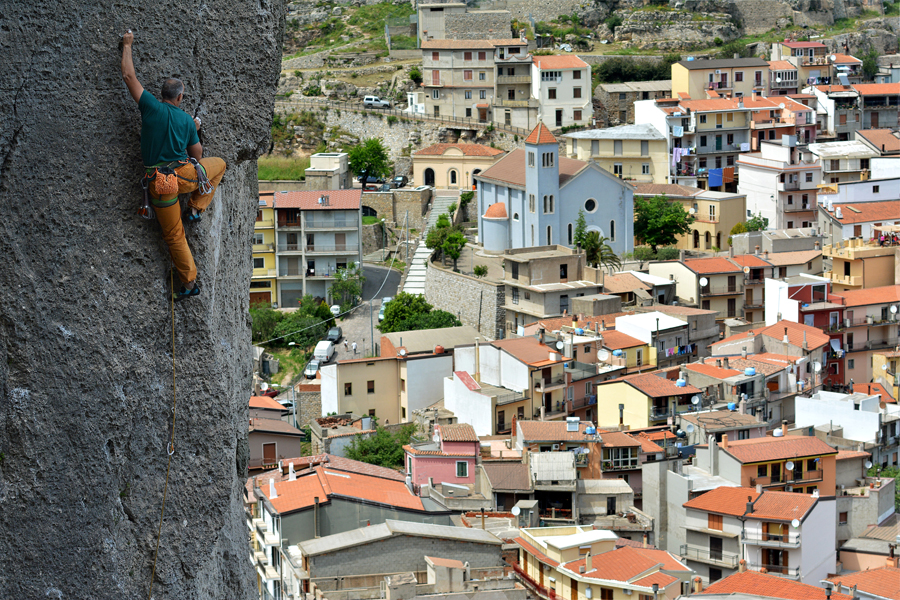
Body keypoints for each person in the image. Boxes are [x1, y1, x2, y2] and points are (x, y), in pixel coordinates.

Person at [120, 29, 227, 300]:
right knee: (220, 165)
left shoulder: (150, 107)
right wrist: (193, 128)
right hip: (185, 176)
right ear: (179, 98)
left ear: (162, 94)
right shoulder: (186, 121)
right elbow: (198, 156)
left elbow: (129, 77)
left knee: (174, 236)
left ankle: (189, 284)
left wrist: (127, 44)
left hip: (160, 184)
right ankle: (195, 209)